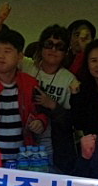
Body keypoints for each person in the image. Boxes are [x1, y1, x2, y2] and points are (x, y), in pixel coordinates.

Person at [0, 28, 47, 167]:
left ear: (20, 56)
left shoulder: (30, 83)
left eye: (7, 51)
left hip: (23, 159)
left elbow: (41, 112)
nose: (0, 56)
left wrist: (41, 121)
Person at [23, 24, 78, 172]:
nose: (53, 50)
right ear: (41, 47)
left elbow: (72, 121)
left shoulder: (69, 79)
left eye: (59, 47)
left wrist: (52, 105)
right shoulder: (26, 66)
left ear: (66, 52)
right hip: (21, 138)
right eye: (49, 44)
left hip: (52, 146)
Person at [70, 39, 98, 138]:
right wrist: (75, 96)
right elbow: (77, 123)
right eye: (94, 60)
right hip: (90, 143)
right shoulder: (82, 88)